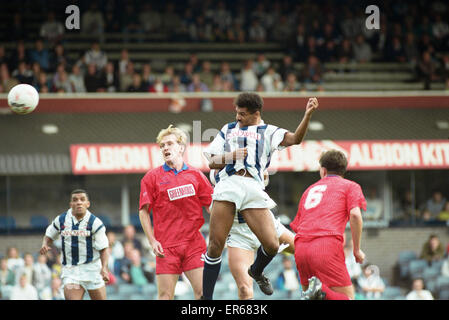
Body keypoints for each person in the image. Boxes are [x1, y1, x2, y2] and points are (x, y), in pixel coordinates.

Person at [201, 92, 318, 300]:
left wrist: (307, 115)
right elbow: (211, 162)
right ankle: (205, 301)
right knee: (215, 246)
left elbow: (295, 139)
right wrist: (231, 156)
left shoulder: (269, 131)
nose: (238, 117)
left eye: (242, 114)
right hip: (229, 184)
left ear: (256, 114)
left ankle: (257, 271)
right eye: (236, 113)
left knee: (272, 245)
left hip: (253, 187)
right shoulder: (227, 130)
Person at [138, 125, 213, 300]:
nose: (165, 148)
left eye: (169, 144)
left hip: (194, 244)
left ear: (181, 147)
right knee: (165, 296)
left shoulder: (196, 175)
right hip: (166, 247)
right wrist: (152, 240)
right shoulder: (151, 178)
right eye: (162, 145)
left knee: (203, 294)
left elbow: (211, 207)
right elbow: (143, 212)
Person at [290, 149, 367, 300]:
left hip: (301, 248)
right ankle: (322, 292)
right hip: (326, 246)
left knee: (310, 298)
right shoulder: (350, 186)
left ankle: (318, 292)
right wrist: (356, 250)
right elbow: (355, 215)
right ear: (343, 170)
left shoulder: (309, 190)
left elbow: (298, 226)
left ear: (323, 170)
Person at [210, 169, 296, 299]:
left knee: (306, 252)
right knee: (245, 290)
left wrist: (259, 173)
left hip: (264, 223)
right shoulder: (219, 162)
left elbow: (264, 178)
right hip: (239, 234)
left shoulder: (250, 157)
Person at [40, 189, 110, 300]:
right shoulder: (61, 220)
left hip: (92, 269)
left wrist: (105, 268)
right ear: (71, 204)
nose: (79, 202)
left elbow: (104, 248)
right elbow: (49, 234)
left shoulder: (95, 223)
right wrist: (45, 243)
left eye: (82, 199)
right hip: (71, 271)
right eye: (75, 200)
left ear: (88, 204)